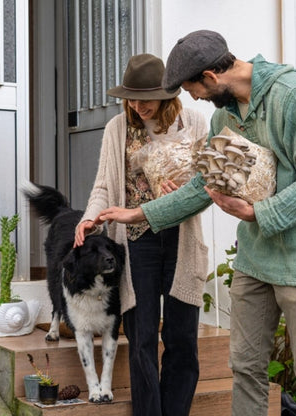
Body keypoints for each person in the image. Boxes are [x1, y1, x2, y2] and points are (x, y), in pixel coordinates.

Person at [91, 30, 296, 416]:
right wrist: (139, 213)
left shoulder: (293, 97)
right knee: (245, 368)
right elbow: (203, 185)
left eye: (195, 90)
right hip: (255, 260)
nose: (194, 99)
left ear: (211, 77)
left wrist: (257, 213)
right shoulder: (225, 114)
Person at [74, 53, 209, 416]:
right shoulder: (117, 128)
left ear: (166, 95)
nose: (138, 105)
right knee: (141, 338)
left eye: (145, 98)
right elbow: (103, 186)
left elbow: (208, 187)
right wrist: (90, 219)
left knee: (181, 339)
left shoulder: (194, 122)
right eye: (131, 98)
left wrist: (178, 194)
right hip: (134, 244)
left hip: (182, 242)